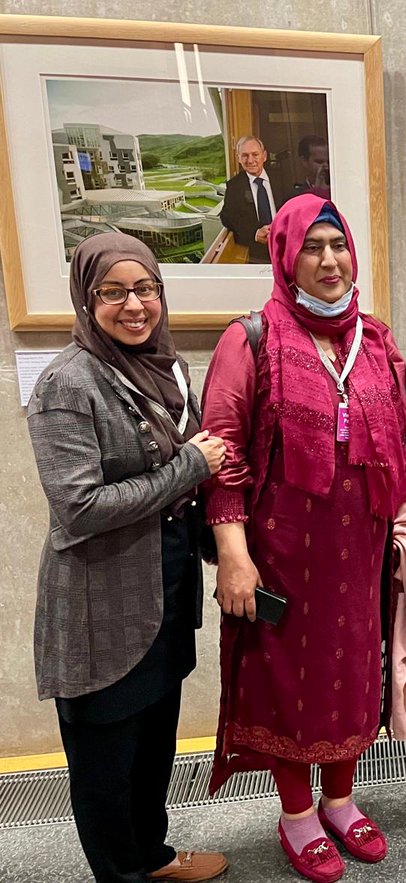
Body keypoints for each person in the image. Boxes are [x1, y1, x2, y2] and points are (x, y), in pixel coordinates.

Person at [202, 194, 406, 881]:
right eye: (312, 248)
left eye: (339, 245)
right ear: (286, 258)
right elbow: (223, 449)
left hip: (360, 551)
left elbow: (405, 439)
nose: (330, 261)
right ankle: (297, 812)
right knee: (290, 683)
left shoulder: (375, 338)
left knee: (351, 675)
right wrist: (234, 554)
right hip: (282, 552)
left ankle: (340, 799)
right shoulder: (251, 339)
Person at [27, 233, 229, 883]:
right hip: (99, 600)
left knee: (153, 742)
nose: (135, 304)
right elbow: (79, 508)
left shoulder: (170, 367)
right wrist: (190, 465)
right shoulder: (67, 380)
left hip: (165, 588)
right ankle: (121, 873)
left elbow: (189, 475)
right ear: (88, 300)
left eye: (145, 288)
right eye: (113, 291)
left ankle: (155, 856)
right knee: (105, 760)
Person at [219, 135, 286, 264]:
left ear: (264, 156)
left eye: (255, 154)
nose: (250, 160)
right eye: (244, 155)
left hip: (285, 246)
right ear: (239, 158)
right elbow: (227, 217)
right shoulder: (234, 186)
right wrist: (254, 233)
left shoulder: (282, 178)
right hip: (256, 255)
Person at [293, 134, 331, 200]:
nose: (326, 167)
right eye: (319, 162)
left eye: (328, 162)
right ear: (304, 161)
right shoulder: (296, 196)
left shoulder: (337, 191)